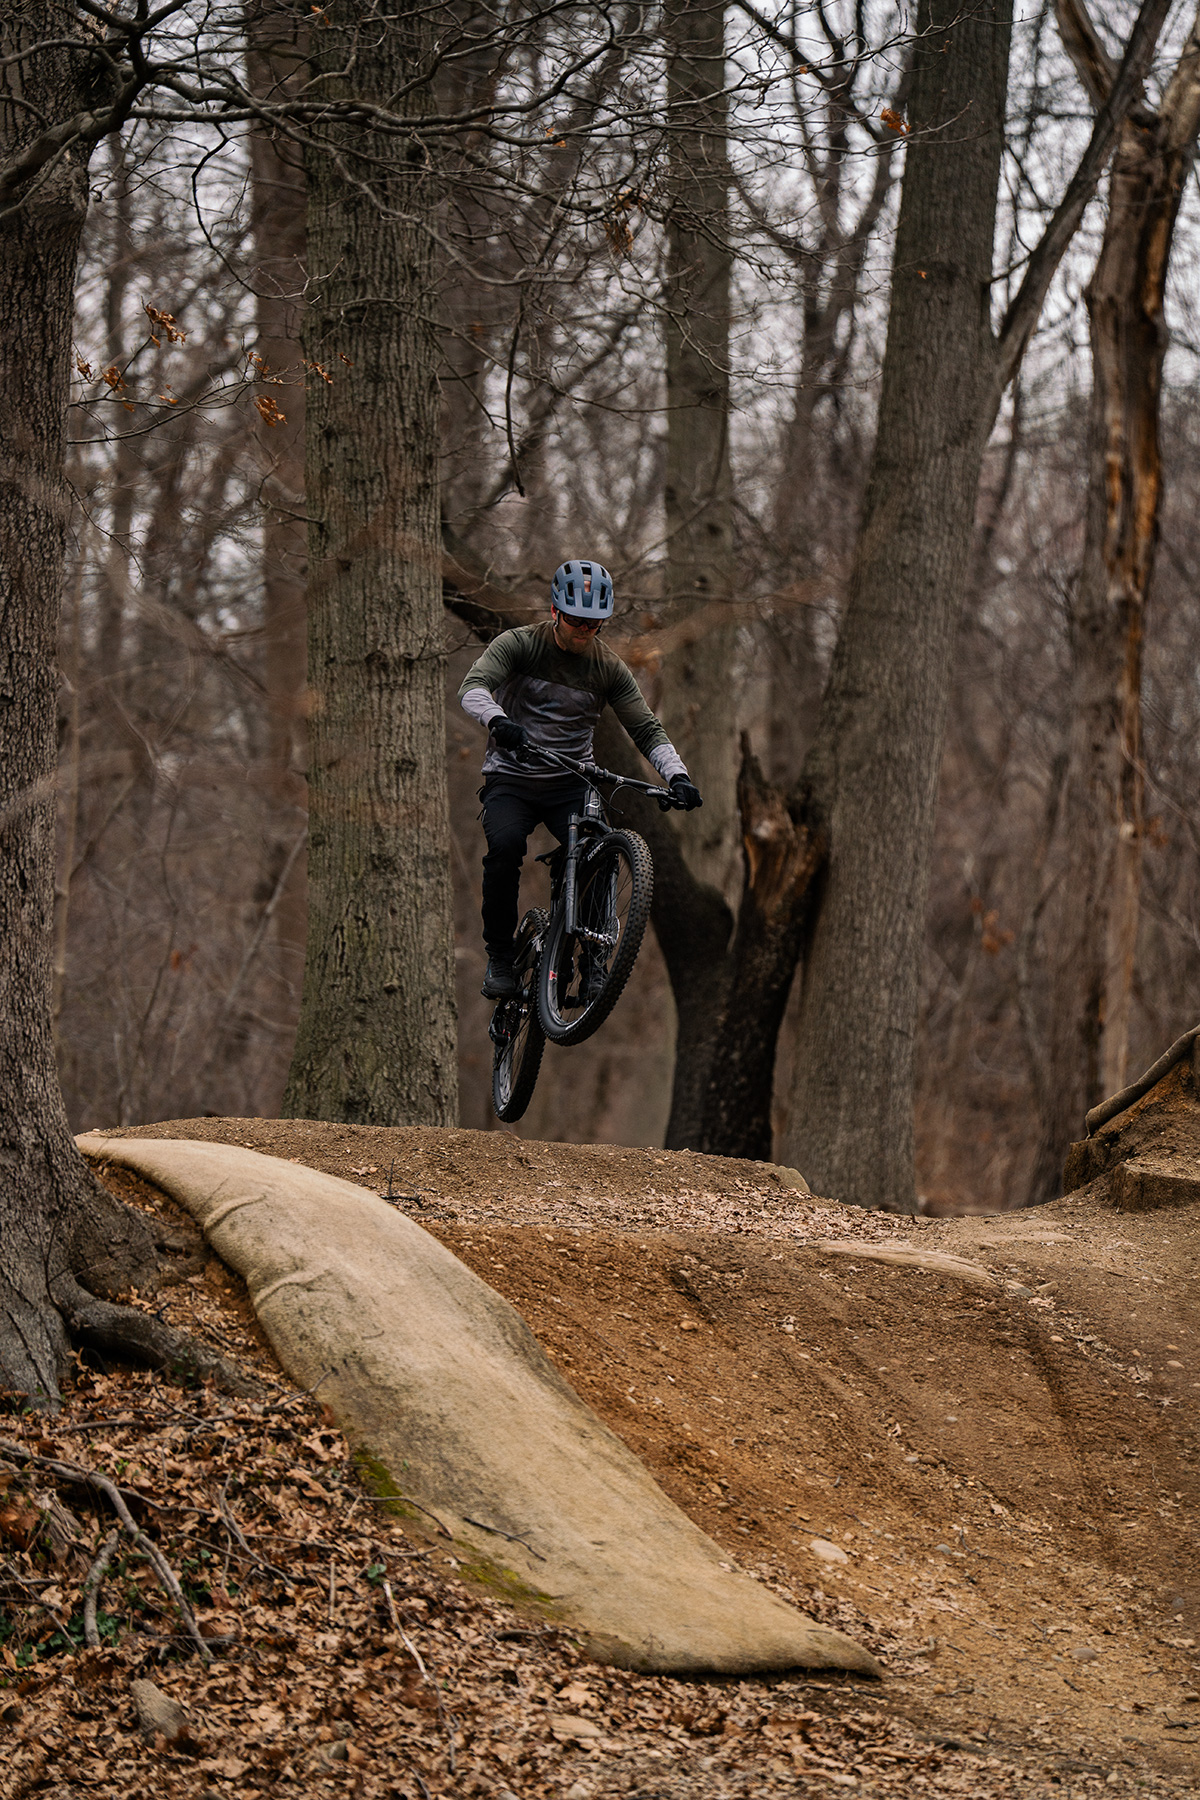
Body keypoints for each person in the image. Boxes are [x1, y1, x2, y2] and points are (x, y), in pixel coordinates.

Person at [459, 558, 703, 999]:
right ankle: (499, 957)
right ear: (555, 612)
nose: (583, 631)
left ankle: (593, 961)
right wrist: (498, 721)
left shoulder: (608, 668)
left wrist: (678, 776)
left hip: (570, 781)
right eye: (575, 620)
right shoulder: (519, 645)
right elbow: (473, 687)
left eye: (594, 624)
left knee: (600, 853)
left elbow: (646, 728)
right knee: (505, 848)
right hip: (512, 777)